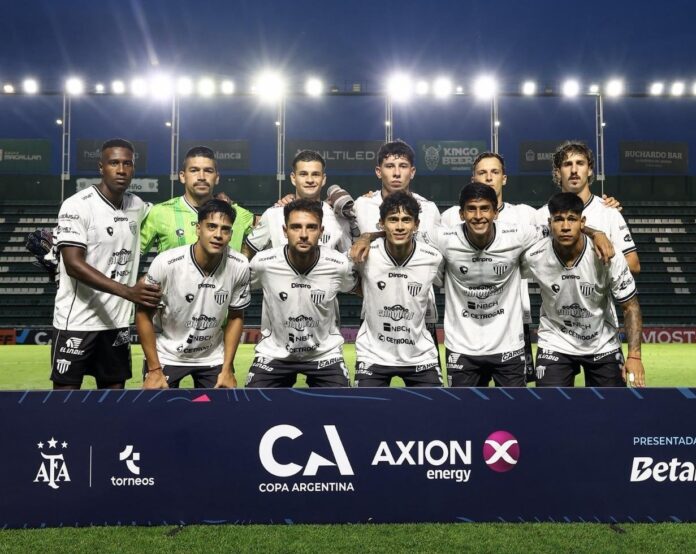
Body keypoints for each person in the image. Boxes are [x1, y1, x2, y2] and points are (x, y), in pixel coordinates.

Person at [427, 183, 613, 387]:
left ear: (496, 212)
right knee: (463, 408)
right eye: (471, 209)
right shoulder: (443, 238)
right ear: (461, 214)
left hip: (509, 348)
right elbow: (407, 236)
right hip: (461, 347)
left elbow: (560, 227)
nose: (478, 216)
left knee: (515, 408)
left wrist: (595, 233)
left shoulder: (516, 234)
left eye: (485, 209)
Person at [51, 139, 161, 390]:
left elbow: (166, 212)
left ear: (133, 168)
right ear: (101, 167)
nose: (121, 170)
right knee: (64, 401)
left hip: (116, 324)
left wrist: (218, 203)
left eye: (127, 164)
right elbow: (73, 264)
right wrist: (128, 292)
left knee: (114, 401)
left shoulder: (137, 206)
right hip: (76, 323)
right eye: (114, 163)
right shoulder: (77, 205)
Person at [522, 192, 645, 387]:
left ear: (582, 222)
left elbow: (630, 306)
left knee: (613, 405)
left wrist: (635, 356)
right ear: (549, 223)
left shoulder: (608, 255)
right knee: (549, 405)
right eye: (558, 220)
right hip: (555, 341)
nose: (565, 226)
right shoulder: (534, 256)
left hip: (602, 343)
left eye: (572, 219)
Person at [440, 152, 538, 380]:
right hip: (465, 329)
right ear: (473, 178)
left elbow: (565, 221)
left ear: (504, 178)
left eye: (495, 172)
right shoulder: (449, 219)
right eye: (482, 172)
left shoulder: (525, 215)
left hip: (512, 324)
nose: (488, 177)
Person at [136, 200, 250, 389]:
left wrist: (227, 368)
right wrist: (154, 369)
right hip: (167, 354)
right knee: (158, 406)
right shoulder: (166, 263)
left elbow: (236, 316)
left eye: (225, 229)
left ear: (231, 234)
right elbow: (142, 315)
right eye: (211, 226)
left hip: (212, 356)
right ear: (198, 229)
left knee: (219, 407)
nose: (218, 235)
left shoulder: (239, 265)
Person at [246, 199, 357, 388]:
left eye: (311, 227)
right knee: (253, 403)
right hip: (274, 353)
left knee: (341, 404)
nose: (304, 234)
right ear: (285, 231)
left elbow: (357, 287)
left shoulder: (339, 265)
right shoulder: (263, 263)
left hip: (325, 354)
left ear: (321, 231)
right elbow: (237, 286)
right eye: (296, 227)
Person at [354, 192, 444, 387]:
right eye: (393, 219)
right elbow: (342, 277)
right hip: (373, 355)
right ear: (381, 223)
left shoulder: (432, 258)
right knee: (364, 407)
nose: (400, 226)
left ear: (416, 225)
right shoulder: (366, 254)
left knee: (437, 406)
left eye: (406, 220)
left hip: (420, 356)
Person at [536, 141, 640, 275]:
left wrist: (595, 261)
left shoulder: (609, 211)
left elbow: (633, 265)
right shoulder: (542, 215)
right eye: (567, 164)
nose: (574, 170)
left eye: (580, 163)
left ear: (589, 170)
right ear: (558, 173)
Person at [140, 146, 255, 254]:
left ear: (217, 178)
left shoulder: (238, 214)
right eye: (194, 170)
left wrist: (245, 258)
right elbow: (133, 253)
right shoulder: (159, 212)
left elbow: (265, 229)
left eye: (208, 171)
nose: (201, 177)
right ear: (182, 176)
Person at [242, 150, 351, 258]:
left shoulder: (338, 218)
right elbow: (248, 251)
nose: (310, 180)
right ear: (293, 178)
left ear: (323, 179)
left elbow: (348, 259)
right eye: (303, 174)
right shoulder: (273, 215)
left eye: (315, 174)